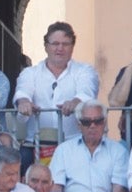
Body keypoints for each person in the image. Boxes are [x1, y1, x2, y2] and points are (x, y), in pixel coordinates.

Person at [14, 22, 100, 157]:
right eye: (55, 44)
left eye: (65, 44)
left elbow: (87, 91)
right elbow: (23, 91)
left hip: (73, 144)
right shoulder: (30, 73)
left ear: (72, 47)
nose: (60, 48)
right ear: (46, 46)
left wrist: (76, 102)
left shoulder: (85, 71)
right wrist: (24, 102)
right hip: (35, 144)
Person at [48, 99, 129, 192]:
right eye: (87, 122)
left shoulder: (118, 151)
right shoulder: (64, 150)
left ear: (104, 123)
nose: (93, 126)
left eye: (98, 121)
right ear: (79, 125)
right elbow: (56, 188)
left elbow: (118, 191)